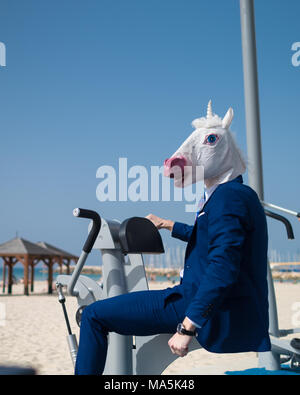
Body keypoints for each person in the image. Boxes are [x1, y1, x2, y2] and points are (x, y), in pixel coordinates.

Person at [74, 102, 271, 375]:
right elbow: (210, 240)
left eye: (211, 140)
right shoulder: (236, 194)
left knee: (94, 316)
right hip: (201, 298)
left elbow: (223, 266)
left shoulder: (228, 198)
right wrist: (168, 224)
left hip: (193, 302)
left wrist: (188, 326)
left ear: (224, 150)